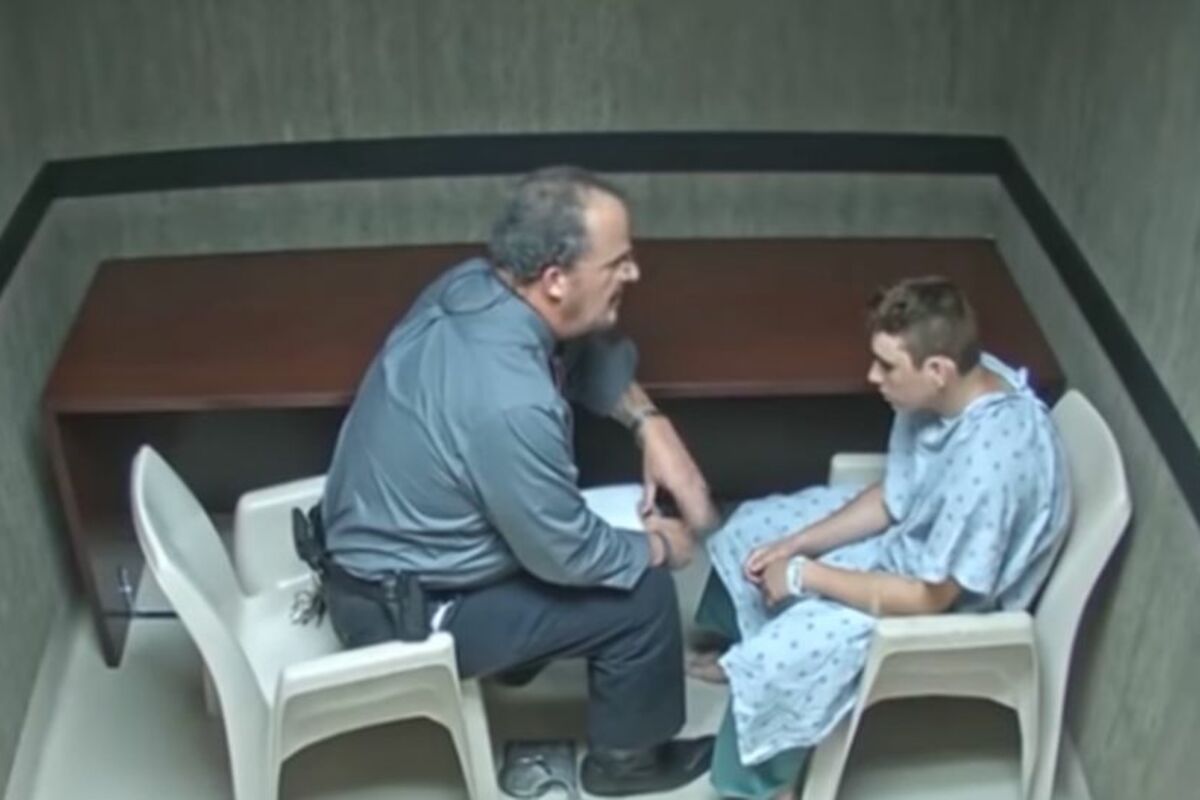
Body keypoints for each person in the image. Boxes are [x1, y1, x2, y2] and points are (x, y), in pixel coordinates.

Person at [318, 166, 720, 796]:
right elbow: (565, 554)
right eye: (618, 262)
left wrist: (650, 426)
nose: (634, 273)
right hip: (401, 608)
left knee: (588, 525)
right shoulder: (512, 401)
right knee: (641, 593)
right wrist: (660, 547)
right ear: (555, 279)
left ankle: (520, 659)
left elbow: (580, 348)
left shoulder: (473, 285)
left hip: (374, 556)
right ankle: (628, 764)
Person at [691, 276, 1073, 800]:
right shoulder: (963, 383)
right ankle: (736, 644)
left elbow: (929, 598)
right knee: (754, 527)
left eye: (887, 366)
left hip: (940, 598)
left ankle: (754, 785)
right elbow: (896, 496)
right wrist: (796, 545)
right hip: (916, 539)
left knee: (783, 656)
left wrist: (805, 576)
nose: (872, 377)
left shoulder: (990, 468)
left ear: (937, 371)